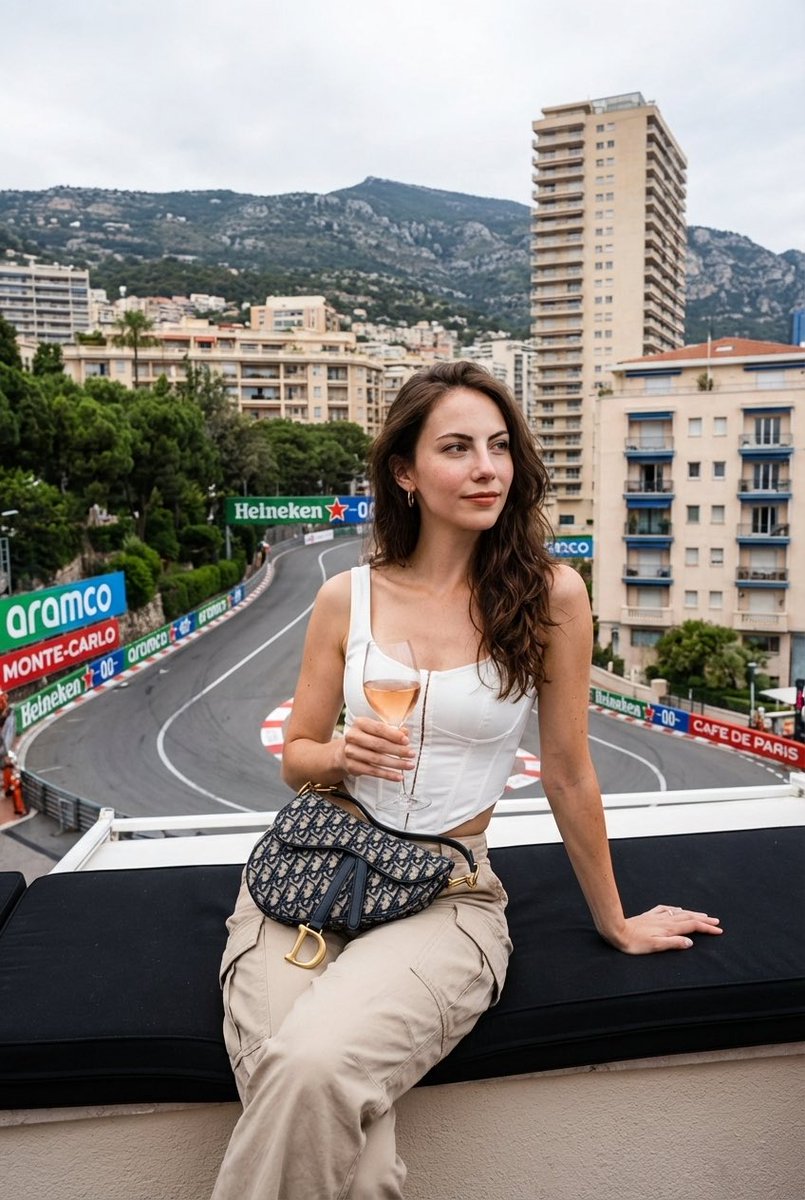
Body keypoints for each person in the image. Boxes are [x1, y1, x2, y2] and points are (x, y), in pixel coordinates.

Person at [211, 361, 722, 1200]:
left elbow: (566, 771)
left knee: (306, 1065)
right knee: (359, 1157)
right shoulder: (348, 598)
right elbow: (295, 755)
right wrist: (342, 754)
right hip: (310, 873)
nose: (486, 468)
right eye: (456, 448)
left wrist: (616, 921)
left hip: (448, 889)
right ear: (405, 473)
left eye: (498, 447)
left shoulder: (551, 594)